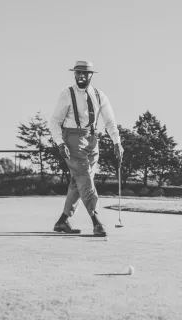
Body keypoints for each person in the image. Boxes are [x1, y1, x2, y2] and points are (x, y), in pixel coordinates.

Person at [49, 61, 124, 237]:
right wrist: (60, 143)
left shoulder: (99, 95)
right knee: (84, 178)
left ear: (91, 75)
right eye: (78, 73)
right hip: (72, 139)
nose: (81, 76)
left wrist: (117, 142)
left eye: (85, 73)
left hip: (92, 139)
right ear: (74, 74)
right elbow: (54, 122)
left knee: (79, 181)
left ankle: (62, 221)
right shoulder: (66, 94)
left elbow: (110, 121)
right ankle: (96, 220)